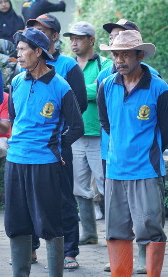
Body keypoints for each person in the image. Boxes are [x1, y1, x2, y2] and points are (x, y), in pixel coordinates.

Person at [5, 27, 84, 277]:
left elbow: (77, 126)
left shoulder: (60, 86)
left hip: (44, 163)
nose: (18, 54)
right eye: (17, 49)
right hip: (15, 160)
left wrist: (56, 147)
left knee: (50, 223)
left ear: (38, 51)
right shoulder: (17, 81)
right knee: (16, 223)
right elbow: (15, 117)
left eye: (22, 49)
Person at [97, 29, 168, 277]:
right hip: (115, 170)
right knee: (116, 231)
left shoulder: (159, 88)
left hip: (147, 170)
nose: (119, 60)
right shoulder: (106, 85)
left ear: (140, 56)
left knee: (150, 230)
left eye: (125, 55)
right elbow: (106, 123)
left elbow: (166, 131)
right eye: (116, 55)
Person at [26, 13, 87, 269]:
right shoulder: (25, 67)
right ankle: (29, 249)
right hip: (30, 148)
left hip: (57, 147)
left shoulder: (68, 67)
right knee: (29, 197)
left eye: (42, 30)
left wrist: (59, 140)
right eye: (33, 29)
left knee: (63, 198)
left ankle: (69, 250)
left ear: (54, 36)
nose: (36, 33)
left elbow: (80, 105)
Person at [63, 21, 112, 244]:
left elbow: (103, 91)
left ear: (91, 40)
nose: (74, 42)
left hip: (98, 134)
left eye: (79, 38)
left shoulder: (106, 63)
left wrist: (79, 90)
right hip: (74, 134)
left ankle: (114, 233)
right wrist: (86, 89)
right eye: (71, 38)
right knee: (79, 186)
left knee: (106, 184)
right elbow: (64, 93)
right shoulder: (68, 65)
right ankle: (90, 233)